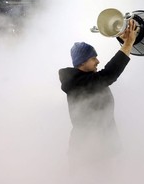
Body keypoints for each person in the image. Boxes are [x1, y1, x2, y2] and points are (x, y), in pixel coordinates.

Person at [58, 19, 138, 175]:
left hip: (99, 150)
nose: (98, 61)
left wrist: (125, 42)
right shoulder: (77, 83)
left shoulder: (88, 80)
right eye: (93, 58)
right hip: (88, 153)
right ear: (82, 62)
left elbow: (104, 77)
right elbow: (109, 74)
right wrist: (127, 44)